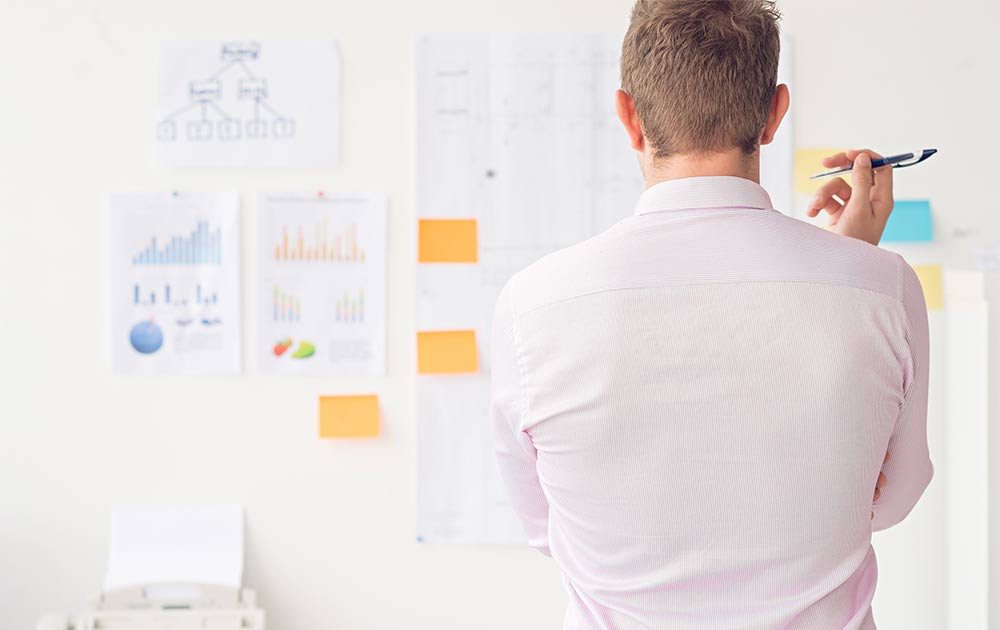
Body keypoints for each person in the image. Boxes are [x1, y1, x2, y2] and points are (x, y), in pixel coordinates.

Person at [489, 0, 933, 628]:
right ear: (775, 113)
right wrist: (849, 266)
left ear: (629, 118)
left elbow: (545, 526)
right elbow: (893, 497)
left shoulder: (533, 304)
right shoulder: (885, 288)